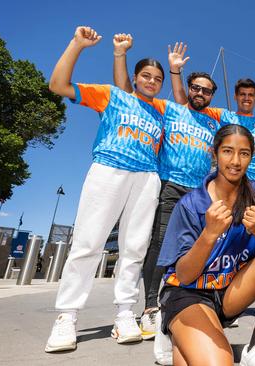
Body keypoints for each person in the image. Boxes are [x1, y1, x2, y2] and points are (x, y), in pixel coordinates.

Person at [45, 26, 165, 352]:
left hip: (146, 178)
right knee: (87, 244)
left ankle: (125, 313)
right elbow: (57, 85)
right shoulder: (112, 95)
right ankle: (66, 317)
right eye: (146, 76)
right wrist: (78, 45)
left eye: (157, 78)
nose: (152, 81)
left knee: (135, 248)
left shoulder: (162, 111)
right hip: (108, 169)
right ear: (136, 78)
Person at [156, 124, 255, 365]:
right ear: (214, 153)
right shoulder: (190, 204)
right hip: (187, 294)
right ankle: (176, 328)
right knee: (217, 362)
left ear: (252, 156)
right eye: (227, 151)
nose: (235, 161)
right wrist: (209, 235)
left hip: (227, 293)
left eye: (244, 153)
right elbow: (183, 274)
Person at [112, 36, 221, 338]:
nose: (200, 93)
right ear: (189, 89)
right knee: (160, 245)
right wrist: (172, 71)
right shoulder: (169, 109)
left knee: (198, 247)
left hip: (200, 193)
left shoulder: (214, 122)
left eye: (206, 90)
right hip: (169, 185)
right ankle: (149, 308)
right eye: (195, 87)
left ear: (212, 95)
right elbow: (125, 92)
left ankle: (194, 302)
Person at [168, 46, 255, 187]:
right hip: (226, 183)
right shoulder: (223, 116)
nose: (246, 98)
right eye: (242, 94)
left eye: (250, 95)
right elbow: (186, 106)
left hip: (254, 185)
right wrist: (175, 71)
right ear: (235, 96)